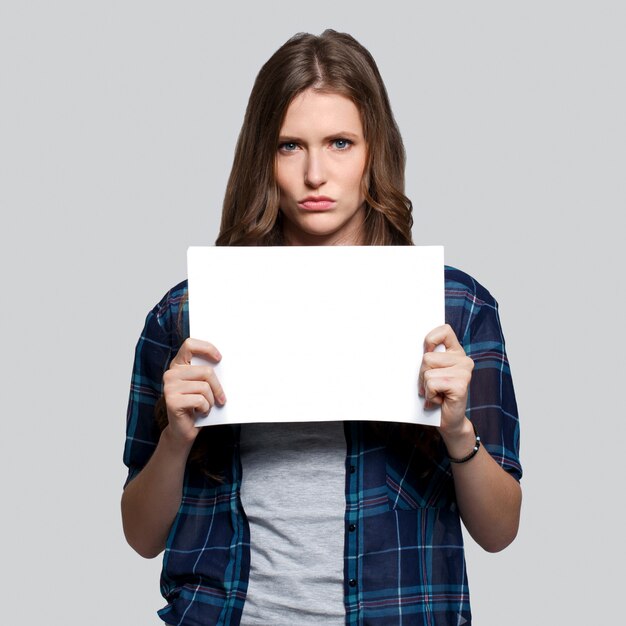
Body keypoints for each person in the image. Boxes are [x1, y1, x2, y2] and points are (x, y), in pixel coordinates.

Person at [122, 29, 522, 626]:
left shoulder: (455, 308)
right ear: (262, 157)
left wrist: (458, 431)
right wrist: (177, 437)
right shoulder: (187, 315)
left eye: (339, 142)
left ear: (373, 151)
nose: (315, 174)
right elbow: (140, 534)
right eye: (289, 146)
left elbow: (499, 532)